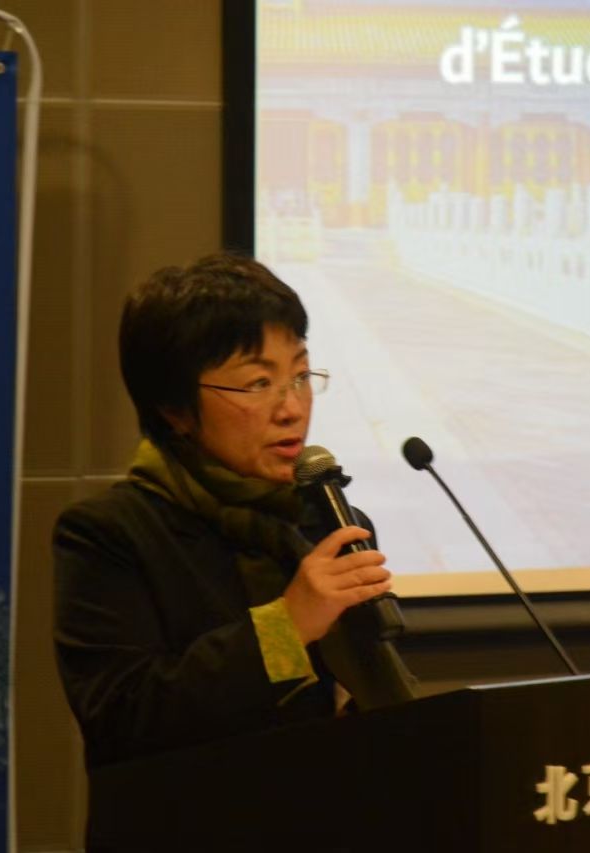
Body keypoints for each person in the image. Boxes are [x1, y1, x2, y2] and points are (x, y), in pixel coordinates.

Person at [53, 252, 411, 770]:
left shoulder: (328, 521)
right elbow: (123, 719)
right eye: (258, 383)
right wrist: (286, 627)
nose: (292, 408)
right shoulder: (110, 533)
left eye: (301, 375)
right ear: (174, 408)